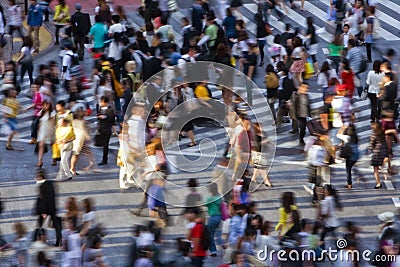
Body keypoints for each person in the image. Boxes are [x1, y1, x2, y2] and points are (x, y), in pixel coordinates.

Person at [35, 169, 62, 247]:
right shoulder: (51, 184)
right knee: (57, 226)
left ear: (40, 177)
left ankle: (38, 239)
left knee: (39, 225)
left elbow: (42, 199)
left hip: (45, 209)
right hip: (52, 207)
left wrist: (43, 211)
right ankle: (59, 240)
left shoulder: (41, 186)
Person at [318, 184, 341, 248]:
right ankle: (337, 248)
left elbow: (327, 213)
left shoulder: (327, 200)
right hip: (332, 222)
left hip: (329, 223)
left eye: (325, 190)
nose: (324, 192)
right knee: (332, 236)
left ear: (328, 192)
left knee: (322, 237)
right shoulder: (331, 198)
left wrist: (321, 217)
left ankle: (321, 250)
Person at [36, 100, 56, 168]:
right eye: (44, 105)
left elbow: (53, 122)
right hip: (42, 131)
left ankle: (54, 158)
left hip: (50, 131)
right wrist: (38, 130)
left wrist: (52, 130)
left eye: (46, 105)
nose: (45, 106)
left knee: (52, 145)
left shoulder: (52, 113)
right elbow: (39, 122)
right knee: (41, 145)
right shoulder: (42, 112)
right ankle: (40, 161)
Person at [97, 96, 115, 165]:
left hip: (107, 129)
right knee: (102, 144)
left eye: (102, 102)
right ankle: (104, 158)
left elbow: (111, 119)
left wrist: (105, 117)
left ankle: (104, 159)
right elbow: (98, 116)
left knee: (105, 144)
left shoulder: (110, 109)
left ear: (105, 102)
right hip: (101, 127)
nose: (100, 103)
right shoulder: (100, 108)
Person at [204, 183, 222, 257]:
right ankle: (222, 246)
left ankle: (213, 251)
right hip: (219, 217)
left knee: (209, 234)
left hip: (212, 217)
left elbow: (205, 204)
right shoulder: (219, 197)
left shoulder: (210, 198)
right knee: (217, 233)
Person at [293, 82, 311, 146]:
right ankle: (301, 140)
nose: (305, 89)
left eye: (307, 88)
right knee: (302, 128)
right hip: (299, 115)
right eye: (304, 87)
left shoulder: (307, 96)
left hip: (305, 115)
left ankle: (301, 139)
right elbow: (293, 106)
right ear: (300, 88)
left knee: (304, 128)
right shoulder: (296, 96)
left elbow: (308, 105)